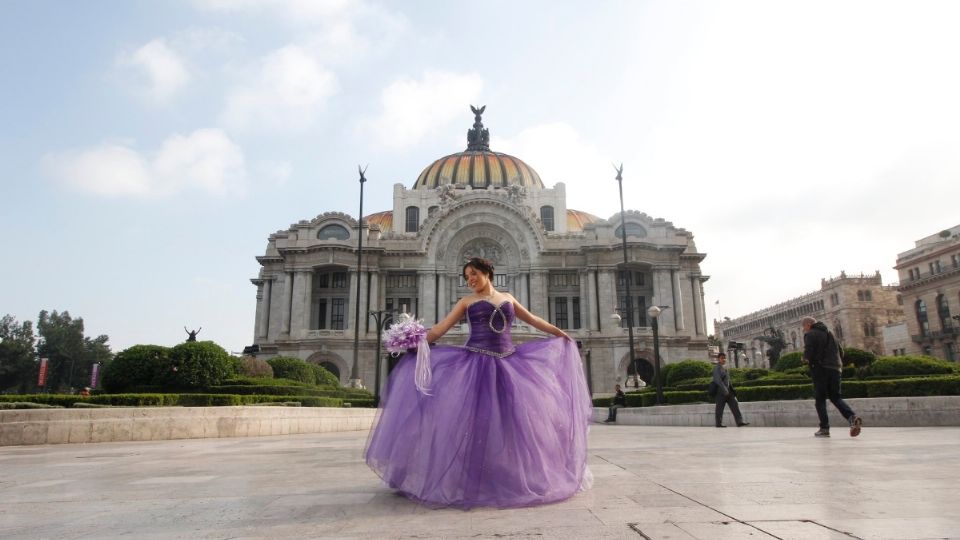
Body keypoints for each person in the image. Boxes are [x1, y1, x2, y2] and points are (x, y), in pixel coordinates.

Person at [365, 257, 592, 509]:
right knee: (474, 423)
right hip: (474, 365)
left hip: (510, 364)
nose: (470, 279)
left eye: (473, 274)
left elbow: (535, 320)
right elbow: (441, 329)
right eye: (466, 276)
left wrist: (562, 334)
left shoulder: (508, 298)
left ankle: (511, 474)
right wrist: (414, 341)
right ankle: (472, 477)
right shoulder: (466, 301)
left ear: (487, 273)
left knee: (514, 423)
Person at [802, 316, 862, 438]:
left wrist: (805, 359)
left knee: (820, 400)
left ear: (808, 324)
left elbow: (809, 351)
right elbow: (841, 352)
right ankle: (852, 418)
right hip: (836, 368)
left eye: (804, 327)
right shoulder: (831, 334)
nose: (804, 330)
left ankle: (824, 428)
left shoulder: (811, 334)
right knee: (836, 397)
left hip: (821, 369)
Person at [713, 353, 748, 428]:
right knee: (719, 408)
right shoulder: (716, 368)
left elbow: (728, 380)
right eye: (722, 358)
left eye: (725, 358)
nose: (724, 359)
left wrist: (731, 389)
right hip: (721, 391)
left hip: (729, 391)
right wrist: (725, 390)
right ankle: (718, 423)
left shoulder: (725, 368)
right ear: (718, 359)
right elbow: (718, 380)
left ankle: (739, 422)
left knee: (735, 404)